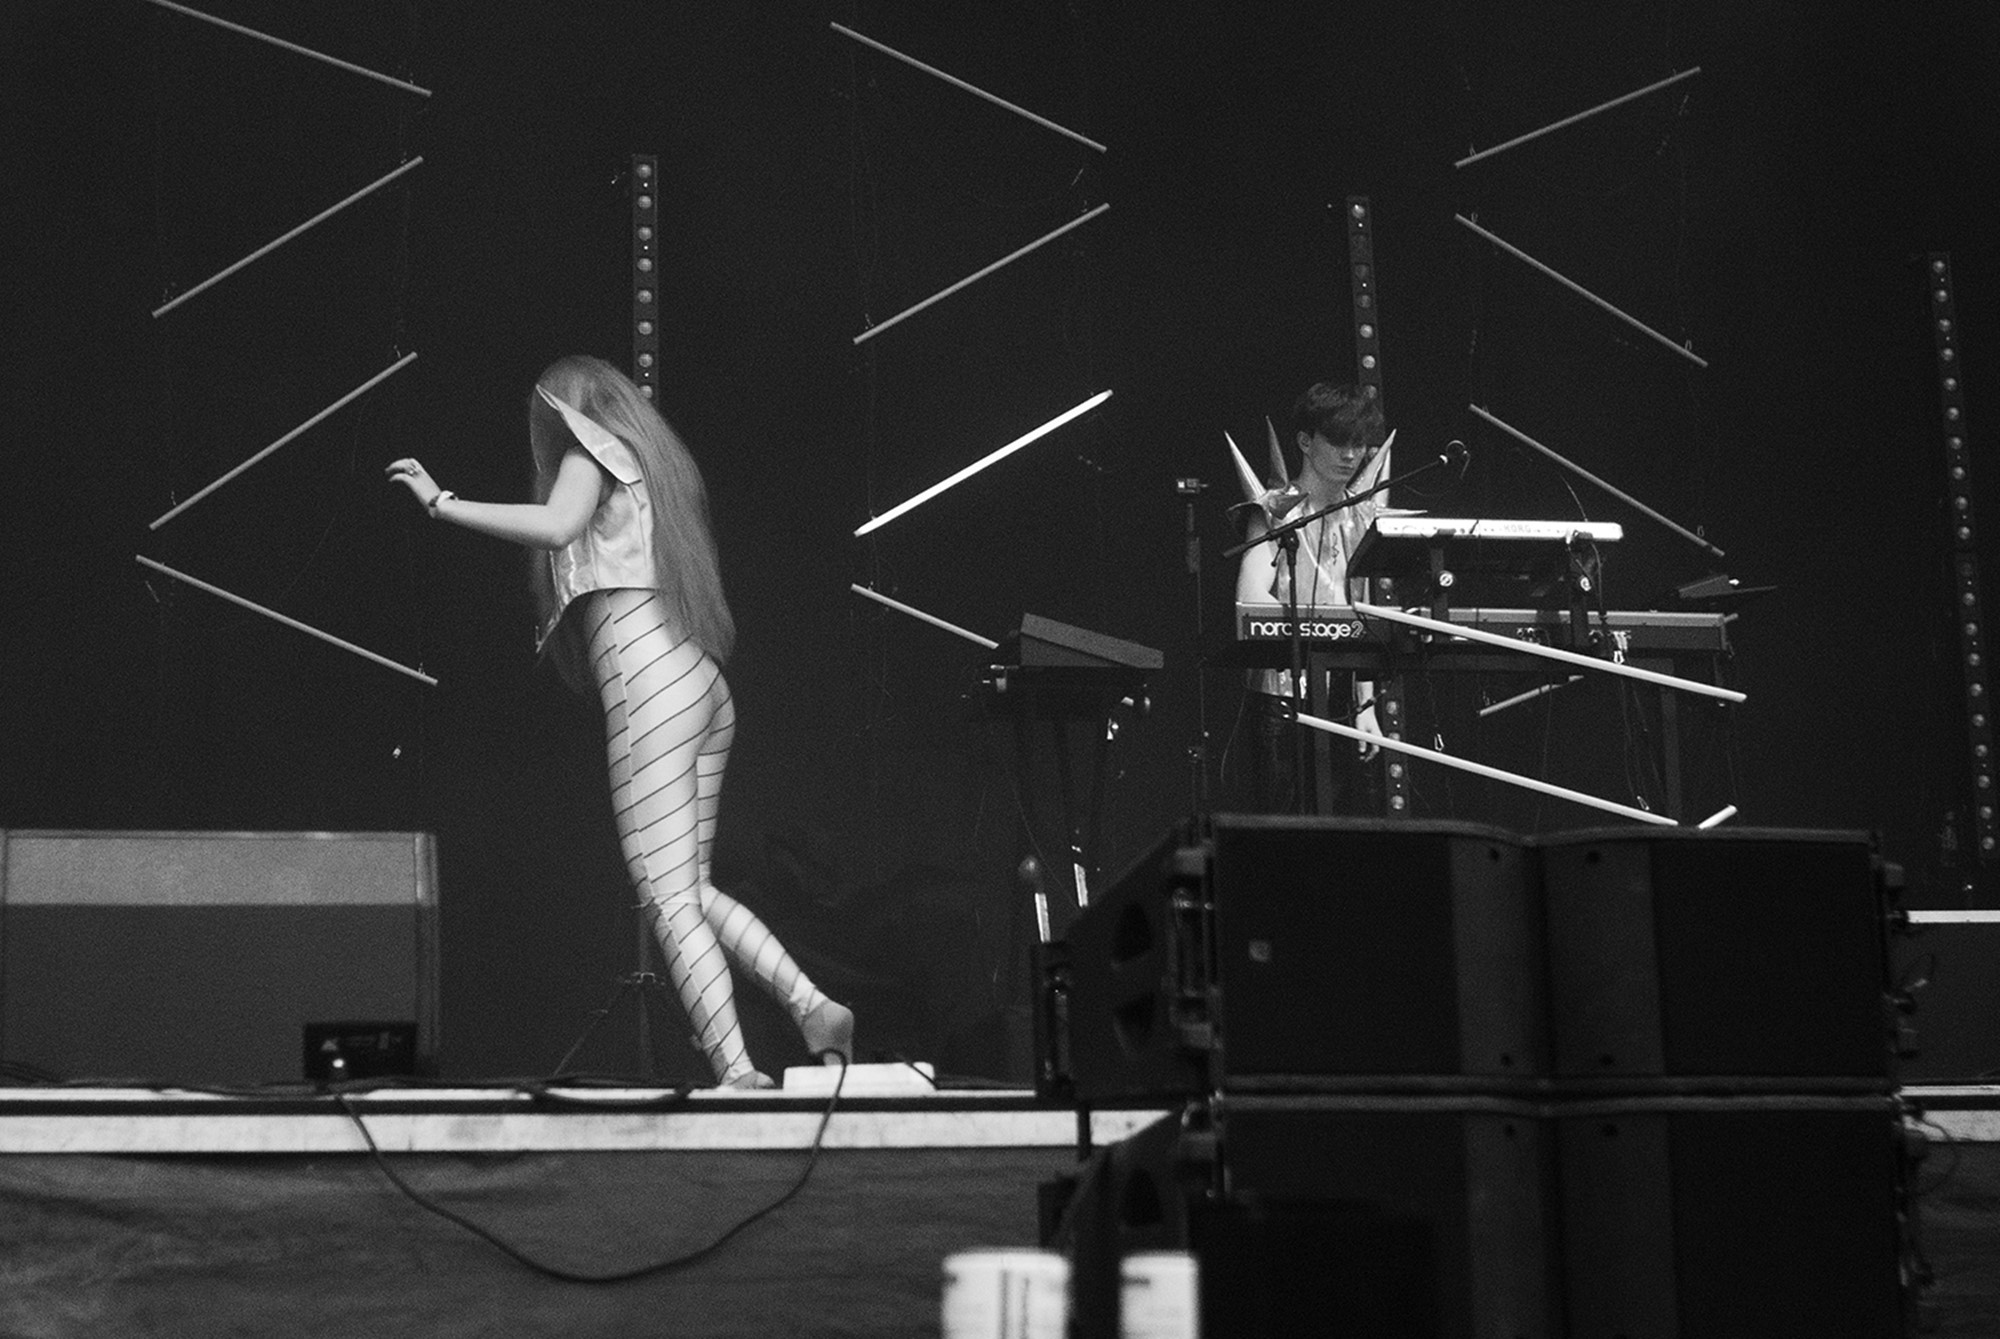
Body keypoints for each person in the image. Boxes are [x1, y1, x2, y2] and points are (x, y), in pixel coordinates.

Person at [387, 355, 852, 1088]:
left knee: (666, 898)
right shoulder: (645, 465)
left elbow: (556, 526)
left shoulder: (589, 450)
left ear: (566, 406)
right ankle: (813, 1006)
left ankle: (738, 1072)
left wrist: (442, 503)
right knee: (693, 888)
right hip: (698, 682)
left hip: (649, 687)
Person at [1232, 380, 1392, 814]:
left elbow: (1360, 610)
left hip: (1341, 699)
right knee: (1283, 829)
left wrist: (1365, 703)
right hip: (1280, 697)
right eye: (1338, 442)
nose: (1350, 455)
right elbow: (1251, 597)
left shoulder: (1363, 514)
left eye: (1358, 444)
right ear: (1305, 441)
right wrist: (1318, 628)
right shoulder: (1275, 510)